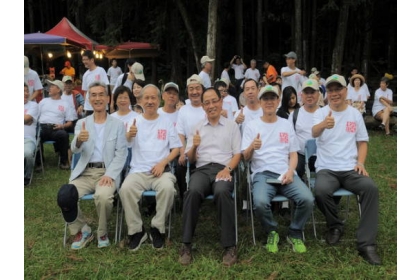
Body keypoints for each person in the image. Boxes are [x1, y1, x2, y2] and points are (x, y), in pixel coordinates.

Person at [312, 74, 381, 265]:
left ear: (345, 91)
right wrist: (323, 125)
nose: (334, 93)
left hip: (350, 169)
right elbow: (313, 132)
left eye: (338, 89)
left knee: (370, 189)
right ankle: (335, 226)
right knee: (320, 190)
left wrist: (361, 163)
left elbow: (363, 142)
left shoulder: (354, 114)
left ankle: (366, 244)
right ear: (328, 94)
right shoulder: (321, 112)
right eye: (331, 90)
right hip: (327, 168)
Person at [242, 84, 314, 254]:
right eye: (265, 98)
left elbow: (294, 154)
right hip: (262, 174)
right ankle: (271, 231)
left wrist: (290, 171)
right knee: (259, 203)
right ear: (260, 102)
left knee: (308, 199)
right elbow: (245, 157)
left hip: (285, 173)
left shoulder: (285, 124)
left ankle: (295, 233)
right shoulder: (252, 126)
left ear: (278, 101)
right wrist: (252, 146)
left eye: (272, 98)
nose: (269, 102)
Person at [57, 81, 128, 250]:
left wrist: (110, 175)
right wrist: (79, 140)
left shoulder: (117, 125)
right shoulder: (82, 123)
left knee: (103, 197)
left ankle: (102, 232)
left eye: (101, 94)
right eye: (93, 95)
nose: (97, 98)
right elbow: (74, 149)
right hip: (85, 172)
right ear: (88, 98)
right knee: (65, 196)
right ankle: (82, 230)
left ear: (108, 98)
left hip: (106, 171)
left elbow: (121, 154)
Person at [179, 87, 242, 266]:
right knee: (192, 191)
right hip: (202, 170)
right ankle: (186, 244)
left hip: (224, 168)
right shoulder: (197, 127)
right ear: (203, 106)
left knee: (222, 192)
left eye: (214, 101)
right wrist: (194, 147)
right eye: (207, 102)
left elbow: (237, 154)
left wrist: (228, 169)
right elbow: (190, 159)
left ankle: (229, 246)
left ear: (221, 102)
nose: (211, 105)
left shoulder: (232, 126)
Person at [119, 84, 181, 250]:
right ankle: (137, 230)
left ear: (159, 100)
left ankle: (157, 227)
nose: (150, 101)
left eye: (153, 98)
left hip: (161, 171)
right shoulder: (134, 122)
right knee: (125, 189)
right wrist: (128, 135)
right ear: (140, 100)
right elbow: (126, 144)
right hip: (138, 171)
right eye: (146, 98)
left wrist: (163, 163)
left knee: (168, 188)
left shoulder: (167, 122)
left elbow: (176, 148)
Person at [175, 75, 206, 206]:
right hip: (189, 149)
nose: (194, 92)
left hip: (207, 149)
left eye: (197, 88)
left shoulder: (208, 106)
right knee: (179, 166)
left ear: (202, 89)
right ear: (187, 91)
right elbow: (180, 134)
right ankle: (185, 199)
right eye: (191, 89)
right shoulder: (183, 110)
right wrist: (182, 152)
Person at [37, 80, 74, 170]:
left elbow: (70, 122)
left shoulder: (65, 104)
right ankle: (38, 163)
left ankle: (63, 161)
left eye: (52, 86)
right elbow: (36, 116)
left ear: (58, 90)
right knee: (35, 135)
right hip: (43, 127)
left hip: (56, 128)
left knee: (64, 135)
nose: (50, 88)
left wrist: (62, 126)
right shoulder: (43, 101)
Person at [288, 79, 321, 178]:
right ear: (301, 95)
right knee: (293, 171)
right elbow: (289, 138)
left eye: (312, 92)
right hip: (300, 155)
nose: (309, 95)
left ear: (318, 94)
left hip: (321, 155)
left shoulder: (325, 113)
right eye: (306, 92)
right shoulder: (294, 115)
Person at [81, 50, 109, 116]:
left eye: (86, 59)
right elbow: (85, 92)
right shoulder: (85, 75)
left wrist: (107, 103)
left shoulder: (101, 70)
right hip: (89, 107)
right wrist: (86, 105)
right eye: (83, 60)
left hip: (101, 105)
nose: (84, 62)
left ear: (92, 60)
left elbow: (106, 88)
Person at [24, 83, 39, 186]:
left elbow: (27, 119)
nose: (26, 93)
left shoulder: (33, 105)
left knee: (27, 153)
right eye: (23, 91)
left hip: (27, 139)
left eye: (27, 91)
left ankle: (26, 176)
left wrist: (26, 120)